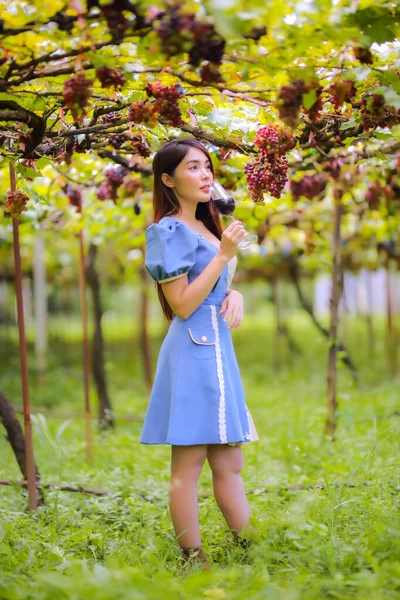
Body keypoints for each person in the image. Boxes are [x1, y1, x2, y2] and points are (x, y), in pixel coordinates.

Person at [140, 137, 258, 568]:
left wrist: (237, 291)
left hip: (218, 348)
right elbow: (182, 305)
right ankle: (193, 557)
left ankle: (250, 547)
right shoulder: (166, 231)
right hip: (192, 349)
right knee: (188, 464)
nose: (206, 174)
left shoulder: (208, 226)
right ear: (168, 180)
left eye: (207, 166)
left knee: (229, 459)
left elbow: (217, 284)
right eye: (193, 168)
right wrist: (224, 253)